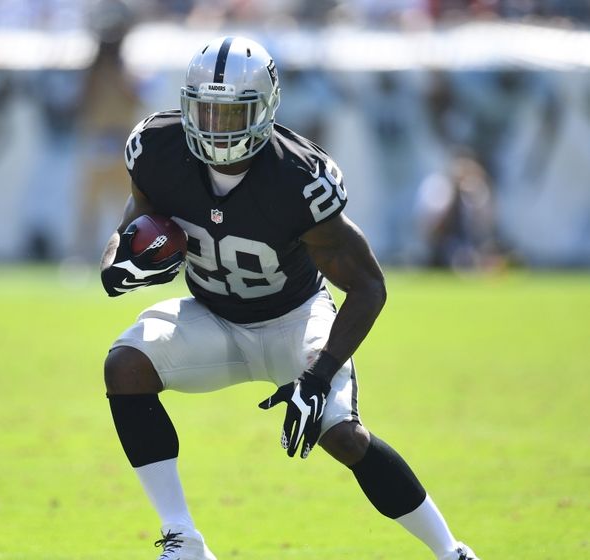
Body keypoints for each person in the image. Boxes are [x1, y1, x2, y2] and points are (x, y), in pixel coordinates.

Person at [99, 36, 480, 560]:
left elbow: (369, 286)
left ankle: (451, 551)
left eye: (231, 115)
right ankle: (184, 539)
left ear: (264, 111)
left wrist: (319, 375)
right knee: (126, 366)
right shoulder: (159, 148)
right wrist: (117, 265)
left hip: (293, 320)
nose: (214, 127)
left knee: (342, 435)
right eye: (204, 111)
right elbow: (130, 225)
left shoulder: (298, 177)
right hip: (212, 316)